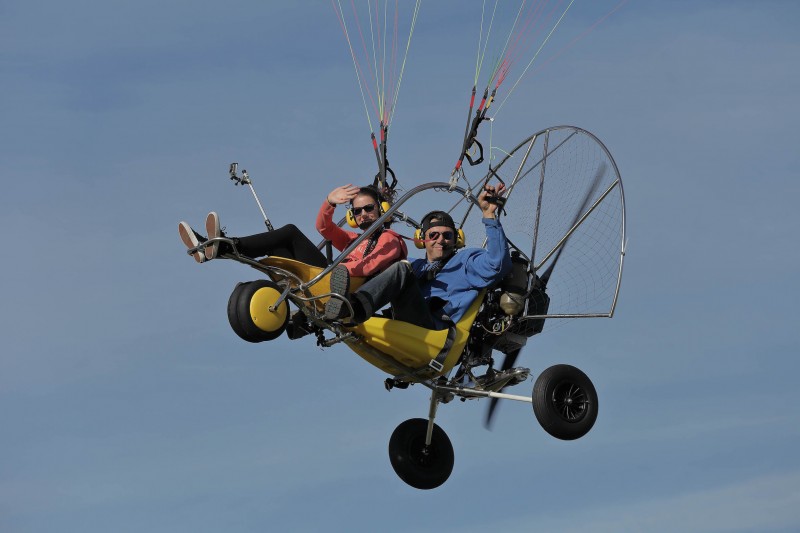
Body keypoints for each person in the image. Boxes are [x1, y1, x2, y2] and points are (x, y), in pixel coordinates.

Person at [324, 184, 511, 330]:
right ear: (422, 240)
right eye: (433, 235)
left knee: (401, 268)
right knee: (391, 269)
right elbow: (376, 263)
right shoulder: (417, 266)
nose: (441, 240)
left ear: (457, 240)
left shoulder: (466, 262)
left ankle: (352, 309)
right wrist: (379, 199)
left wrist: (489, 215)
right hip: (402, 317)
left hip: (431, 326)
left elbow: (498, 265)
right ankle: (317, 310)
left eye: (448, 235)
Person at [178, 184, 407, 276]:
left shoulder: (391, 239)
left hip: (341, 282)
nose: (363, 214)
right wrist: (330, 202)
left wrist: (342, 270)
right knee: (279, 249)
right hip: (332, 278)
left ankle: (225, 245)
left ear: (382, 209)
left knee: (289, 232)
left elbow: (369, 266)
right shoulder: (352, 240)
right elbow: (324, 228)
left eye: (368, 208)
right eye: (357, 211)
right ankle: (215, 249)